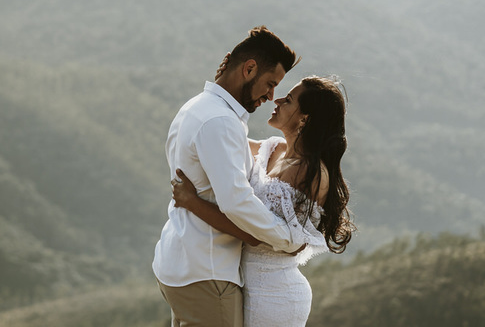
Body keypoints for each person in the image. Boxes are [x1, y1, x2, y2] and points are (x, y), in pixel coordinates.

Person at [172, 75, 355, 327]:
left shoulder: (310, 173)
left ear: (304, 119)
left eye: (288, 100)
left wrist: (193, 203)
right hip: (242, 284)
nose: (277, 99)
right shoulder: (273, 149)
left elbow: (254, 232)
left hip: (275, 295)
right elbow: (223, 137)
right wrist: (218, 97)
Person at [152, 26, 302, 327]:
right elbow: (237, 203)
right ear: (249, 69)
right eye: (270, 83)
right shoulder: (220, 121)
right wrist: (286, 239)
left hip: (183, 263)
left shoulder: (195, 107)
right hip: (207, 271)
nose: (271, 96)